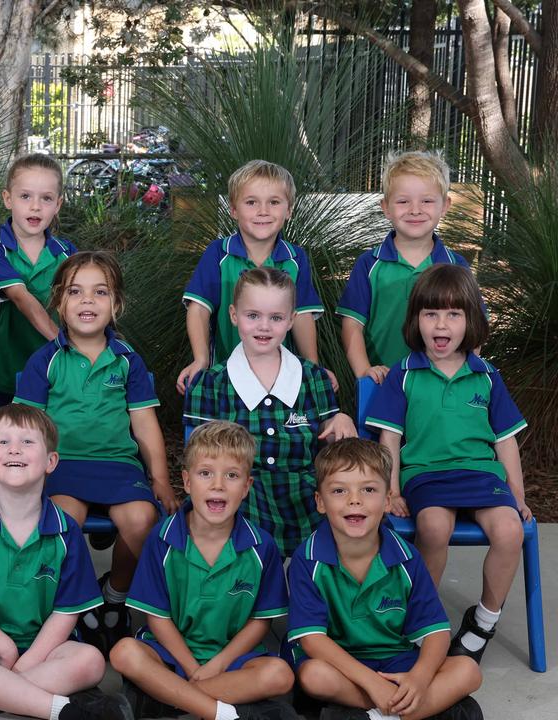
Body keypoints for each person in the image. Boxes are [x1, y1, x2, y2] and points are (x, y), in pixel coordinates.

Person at [365, 263, 527, 664]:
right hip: (427, 474)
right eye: (431, 313)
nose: (442, 324)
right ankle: (424, 619)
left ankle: (484, 621)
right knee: (433, 526)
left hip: (481, 474)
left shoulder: (486, 375)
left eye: (454, 314)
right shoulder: (404, 373)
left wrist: (517, 496)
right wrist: (392, 490)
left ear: (471, 320)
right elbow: (390, 439)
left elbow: (506, 443)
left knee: (510, 531)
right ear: (415, 319)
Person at [0, 405, 131, 720]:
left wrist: (28, 659)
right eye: (3, 442)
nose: (15, 449)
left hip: (45, 647)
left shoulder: (66, 530)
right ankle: (61, 710)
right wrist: (4, 648)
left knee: (91, 661)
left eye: (27, 442)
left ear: (51, 461)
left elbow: (66, 612)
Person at [15, 251, 175, 650]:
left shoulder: (127, 361)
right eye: (76, 292)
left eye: (99, 292)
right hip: (62, 465)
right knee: (65, 520)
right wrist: (27, 475)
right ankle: (78, 603)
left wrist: (159, 478)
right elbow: (28, 429)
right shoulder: (45, 361)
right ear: (59, 302)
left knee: (141, 521)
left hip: (118, 465)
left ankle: (114, 597)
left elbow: (144, 425)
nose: (87, 301)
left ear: (115, 303)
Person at [110, 420, 296, 720]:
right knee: (124, 652)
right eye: (205, 473)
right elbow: (157, 617)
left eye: (232, 475)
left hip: (232, 657)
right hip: (169, 653)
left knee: (279, 675)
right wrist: (193, 667)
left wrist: (218, 664)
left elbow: (259, 622)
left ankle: (165, 698)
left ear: (247, 486)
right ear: (186, 481)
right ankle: (223, 711)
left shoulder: (262, 547)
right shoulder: (162, 538)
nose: (218, 485)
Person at [287, 438, 483, 720]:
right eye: (340, 490)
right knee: (314, 676)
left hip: (396, 659)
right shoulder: (307, 559)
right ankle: (409, 709)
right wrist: (373, 683)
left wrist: (419, 678)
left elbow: (436, 633)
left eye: (368, 489)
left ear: (387, 500)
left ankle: (378, 716)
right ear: (320, 502)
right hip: (340, 664)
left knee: (468, 671)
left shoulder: (406, 557)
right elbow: (313, 641)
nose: (355, 499)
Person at [184, 267, 356, 556]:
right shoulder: (212, 383)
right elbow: (200, 453)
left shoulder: (313, 377)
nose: (264, 326)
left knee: (351, 518)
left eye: (276, 318)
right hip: (243, 489)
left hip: (305, 490)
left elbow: (330, 445)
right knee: (232, 526)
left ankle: (324, 590)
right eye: (253, 316)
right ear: (234, 315)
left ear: (290, 320)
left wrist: (340, 420)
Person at [176, 159, 328, 394]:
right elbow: (199, 309)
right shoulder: (218, 253)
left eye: (274, 202)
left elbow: (302, 315)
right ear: (234, 209)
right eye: (251, 202)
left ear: (289, 210)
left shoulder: (295, 258)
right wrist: (201, 359)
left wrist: (313, 366)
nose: (263, 211)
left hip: (279, 378)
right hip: (224, 375)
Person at [337, 150, 474, 382]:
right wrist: (364, 372)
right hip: (383, 381)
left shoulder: (456, 266)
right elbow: (352, 326)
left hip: (439, 383)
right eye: (403, 201)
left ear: (445, 205)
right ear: (386, 207)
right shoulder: (369, 264)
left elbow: (474, 327)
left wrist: (460, 375)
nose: (415, 210)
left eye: (427, 201)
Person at [0, 153, 76, 404]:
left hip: (60, 369)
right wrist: (67, 347)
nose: (35, 206)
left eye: (46, 198)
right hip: (12, 369)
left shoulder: (68, 252)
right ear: (7, 199)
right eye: (25, 196)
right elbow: (20, 298)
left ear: (58, 204)